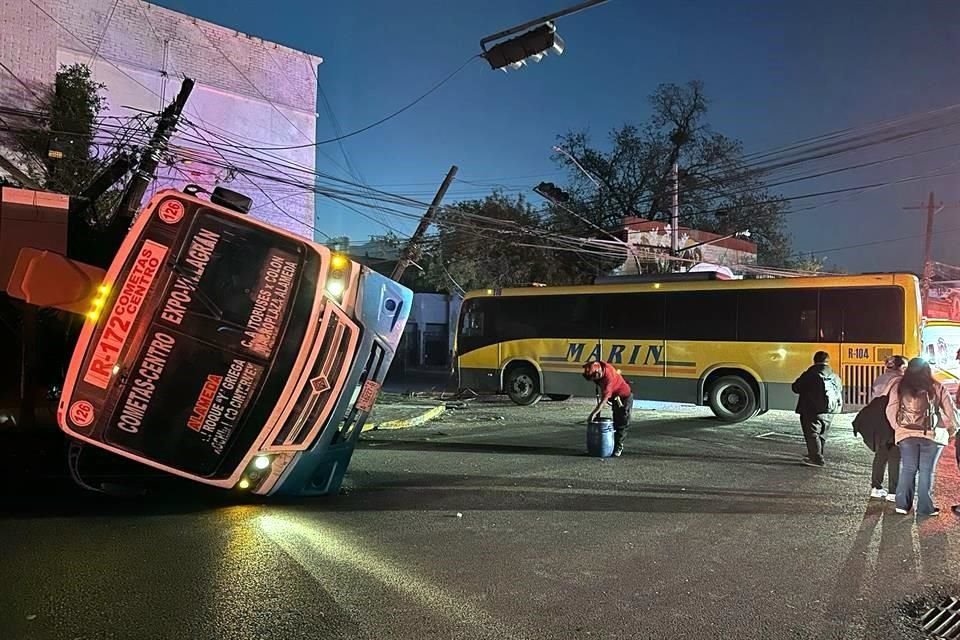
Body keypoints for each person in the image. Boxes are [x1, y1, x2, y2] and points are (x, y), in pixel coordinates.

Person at [882, 357, 957, 517]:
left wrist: (899, 429)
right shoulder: (936, 386)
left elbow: (890, 410)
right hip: (931, 435)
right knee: (926, 471)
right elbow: (950, 411)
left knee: (908, 469)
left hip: (906, 435)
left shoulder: (899, 386)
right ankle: (925, 507)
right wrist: (952, 430)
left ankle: (902, 505)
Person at [861, 355, 907, 501]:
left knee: (881, 454)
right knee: (895, 455)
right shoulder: (901, 381)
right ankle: (893, 492)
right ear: (901, 367)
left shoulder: (880, 378)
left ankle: (876, 487)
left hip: (878, 422)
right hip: (893, 420)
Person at [792, 351, 843, 467]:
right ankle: (817, 453)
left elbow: (796, 387)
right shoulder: (834, 375)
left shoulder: (811, 373)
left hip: (812, 409)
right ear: (827, 361)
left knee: (812, 433)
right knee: (822, 434)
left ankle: (816, 458)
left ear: (814, 360)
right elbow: (839, 389)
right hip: (830, 410)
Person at [583, 361, 633, 457]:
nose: (593, 380)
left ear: (598, 373)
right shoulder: (600, 366)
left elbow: (604, 400)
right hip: (615, 397)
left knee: (622, 422)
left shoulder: (608, 379)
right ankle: (610, 445)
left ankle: (618, 447)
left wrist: (593, 414)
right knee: (615, 419)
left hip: (624, 397)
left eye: (593, 378)